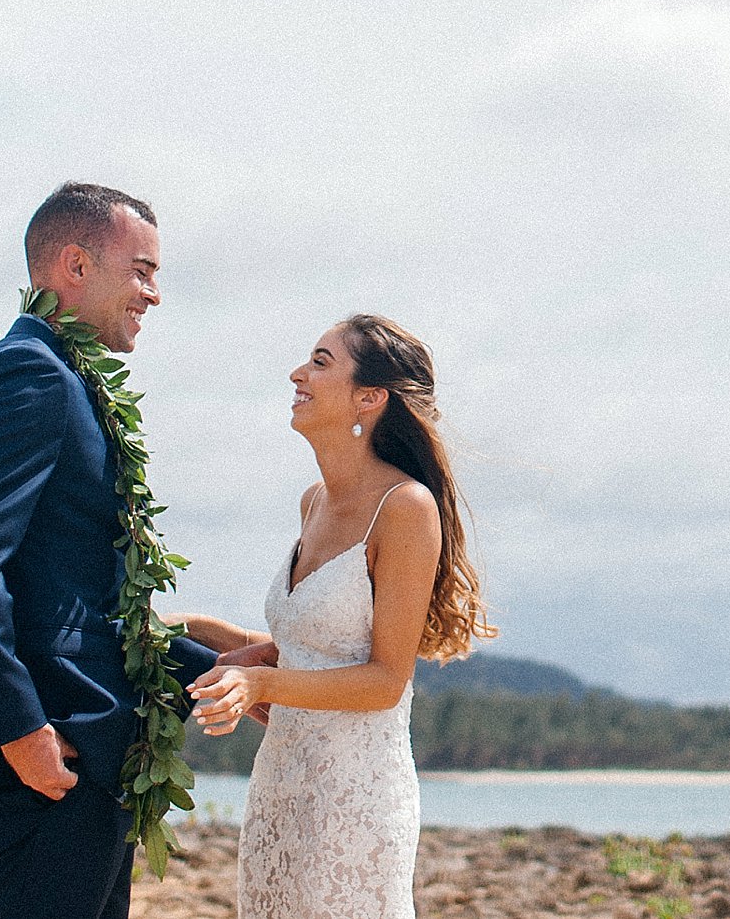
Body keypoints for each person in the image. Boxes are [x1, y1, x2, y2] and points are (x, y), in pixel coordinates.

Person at [0, 183, 255, 919]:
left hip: (85, 766)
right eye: (141, 270)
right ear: (74, 265)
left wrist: (223, 675)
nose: (154, 295)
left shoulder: (67, 378)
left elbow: (73, 603)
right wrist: (18, 731)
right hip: (43, 770)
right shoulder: (30, 373)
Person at [166, 314, 493, 919]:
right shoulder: (311, 502)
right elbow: (315, 644)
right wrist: (192, 629)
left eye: (320, 362)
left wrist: (260, 682)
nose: (298, 373)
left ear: (370, 398)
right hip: (281, 781)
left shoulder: (405, 507)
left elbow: (385, 680)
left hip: (355, 796)